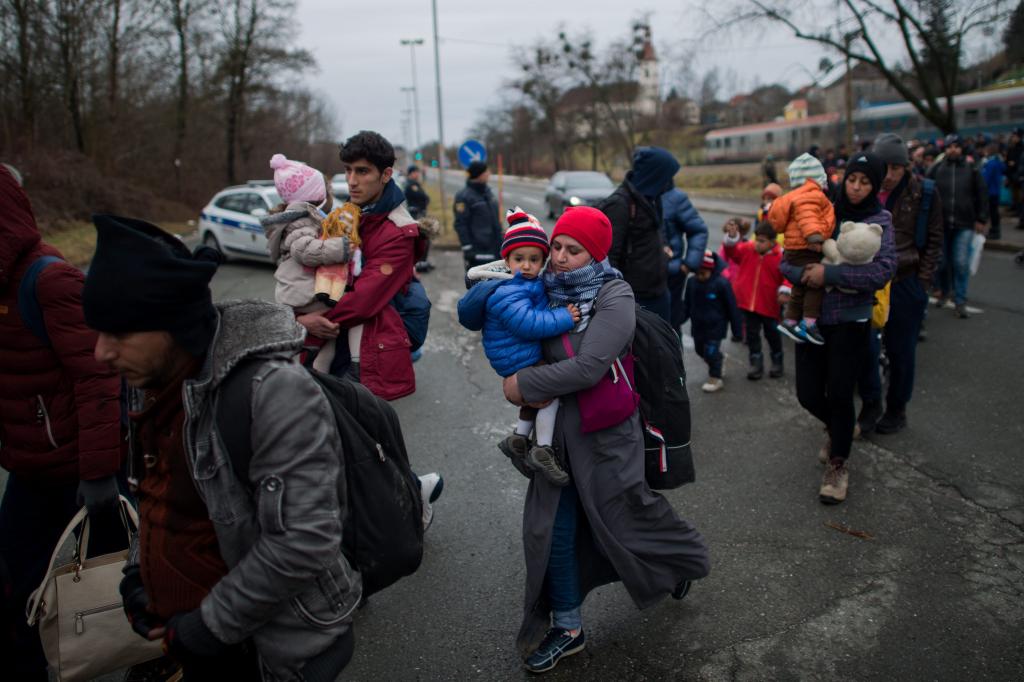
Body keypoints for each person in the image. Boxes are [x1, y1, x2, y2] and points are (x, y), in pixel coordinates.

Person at [82, 215, 362, 681]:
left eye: (120, 334)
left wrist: (207, 627)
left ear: (174, 326)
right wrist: (138, 575)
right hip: (189, 640)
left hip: (267, 649)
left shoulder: (271, 391)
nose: (100, 353)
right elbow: (156, 492)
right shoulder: (150, 380)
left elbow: (305, 540)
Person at [500, 207, 709, 674]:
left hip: (607, 436)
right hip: (554, 439)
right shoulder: (540, 290)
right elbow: (508, 329)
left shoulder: (615, 294)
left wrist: (524, 386)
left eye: (573, 251)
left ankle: (680, 563)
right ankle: (568, 627)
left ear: (595, 253)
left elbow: (591, 366)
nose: (559, 258)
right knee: (552, 528)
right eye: (556, 246)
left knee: (627, 517)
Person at [0, 166, 127, 680]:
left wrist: (98, 475)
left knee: (110, 585)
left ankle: (142, 658)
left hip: (78, 473)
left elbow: (99, 380)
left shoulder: (50, 280)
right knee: (16, 583)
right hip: (29, 468)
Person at [294, 130, 443, 525]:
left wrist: (306, 323)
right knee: (356, 438)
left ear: (386, 174)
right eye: (347, 171)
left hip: (370, 348)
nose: (353, 180)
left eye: (363, 171)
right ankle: (411, 494)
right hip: (343, 341)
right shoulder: (352, 215)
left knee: (362, 439)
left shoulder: (398, 230)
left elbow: (365, 299)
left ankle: (410, 499)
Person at [782, 152, 897, 505]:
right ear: (843, 180)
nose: (857, 188)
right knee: (808, 393)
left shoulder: (882, 220)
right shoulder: (822, 209)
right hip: (812, 320)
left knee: (843, 393)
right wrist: (803, 274)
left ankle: (838, 464)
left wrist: (830, 274)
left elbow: (883, 270)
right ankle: (838, 428)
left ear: (875, 186)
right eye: (852, 180)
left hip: (851, 321)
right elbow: (788, 258)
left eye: (865, 182)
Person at [457, 208, 581, 486]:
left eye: (534, 259)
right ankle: (543, 449)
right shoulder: (507, 291)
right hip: (515, 357)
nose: (526, 265)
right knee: (551, 392)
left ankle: (518, 439)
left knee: (534, 398)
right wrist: (564, 317)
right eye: (519, 259)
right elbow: (528, 324)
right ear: (506, 260)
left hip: (517, 353)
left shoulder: (527, 283)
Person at [864, 133, 943, 435]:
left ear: (905, 167)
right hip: (869, 281)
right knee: (865, 349)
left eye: (896, 168)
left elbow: (935, 240)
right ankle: (870, 406)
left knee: (901, 351)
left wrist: (923, 283)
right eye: (884, 167)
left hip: (905, 280)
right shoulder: (865, 187)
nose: (889, 175)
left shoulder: (923, 192)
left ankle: (897, 409)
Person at [260, 154, 350, 373]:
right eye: (326, 190)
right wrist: (342, 248)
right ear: (316, 195)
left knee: (323, 347)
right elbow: (304, 251)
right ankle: (319, 378)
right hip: (305, 295)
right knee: (328, 338)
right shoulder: (300, 221)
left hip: (297, 294)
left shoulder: (299, 219)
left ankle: (318, 374)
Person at [602, 146, 681, 322]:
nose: (670, 182)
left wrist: (663, 252)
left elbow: (656, 233)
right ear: (655, 175)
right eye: (667, 176)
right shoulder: (619, 205)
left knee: (666, 346)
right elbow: (609, 257)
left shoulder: (653, 199)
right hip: (634, 298)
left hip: (659, 291)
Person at [768, 153, 836, 345]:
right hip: (807, 246)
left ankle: (789, 320)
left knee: (799, 286)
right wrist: (814, 237)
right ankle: (808, 323)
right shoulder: (810, 195)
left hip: (793, 248)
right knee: (815, 283)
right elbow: (808, 218)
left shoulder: (793, 197)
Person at [927, 134, 988, 318]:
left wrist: (981, 218)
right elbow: (927, 194)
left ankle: (960, 299)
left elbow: (981, 194)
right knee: (943, 262)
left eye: (956, 146)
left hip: (965, 223)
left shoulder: (971, 169)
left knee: (960, 262)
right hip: (941, 224)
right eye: (949, 146)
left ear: (961, 148)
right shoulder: (937, 169)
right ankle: (945, 292)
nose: (953, 149)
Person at [723, 221, 786, 380]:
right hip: (748, 304)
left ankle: (777, 361)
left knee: (772, 334)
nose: (757, 243)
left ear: (773, 242)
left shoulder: (780, 257)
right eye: (757, 239)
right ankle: (756, 363)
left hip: (769, 304)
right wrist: (732, 238)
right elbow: (732, 253)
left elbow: (787, 277)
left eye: (762, 241)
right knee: (752, 335)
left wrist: (785, 291)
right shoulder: (747, 249)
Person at [681, 250, 743, 393]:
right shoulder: (692, 283)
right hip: (698, 327)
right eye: (697, 273)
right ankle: (719, 360)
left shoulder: (722, 284)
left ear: (711, 270)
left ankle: (715, 378)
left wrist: (737, 330)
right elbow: (687, 304)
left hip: (716, 327)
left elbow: (732, 308)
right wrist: (680, 319)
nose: (700, 276)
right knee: (699, 350)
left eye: (703, 273)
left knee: (710, 352)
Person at [661, 185, 709, 334]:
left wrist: (688, 265)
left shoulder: (675, 198)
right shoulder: (633, 194)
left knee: (670, 327)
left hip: (671, 275)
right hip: (638, 277)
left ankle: (673, 356)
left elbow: (698, 230)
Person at [454, 161, 502, 272]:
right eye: (486, 171)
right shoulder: (464, 196)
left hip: (495, 248)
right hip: (478, 251)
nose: (489, 173)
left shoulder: (488, 192)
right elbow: (460, 224)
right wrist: (467, 247)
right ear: (479, 174)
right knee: (479, 285)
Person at [404, 165, 434, 272]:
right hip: (416, 215)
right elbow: (422, 197)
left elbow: (425, 197)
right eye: (416, 172)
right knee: (422, 238)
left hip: (420, 213)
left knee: (425, 238)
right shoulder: (411, 185)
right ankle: (419, 264)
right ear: (411, 173)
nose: (417, 174)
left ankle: (423, 262)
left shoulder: (415, 184)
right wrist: (425, 199)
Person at [980, 144, 1005, 241]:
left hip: (990, 191)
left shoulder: (990, 163)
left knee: (992, 212)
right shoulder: (997, 161)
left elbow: (985, 178)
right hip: (996, 191)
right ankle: (995, 230)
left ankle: (994, 231)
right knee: (994, 212)